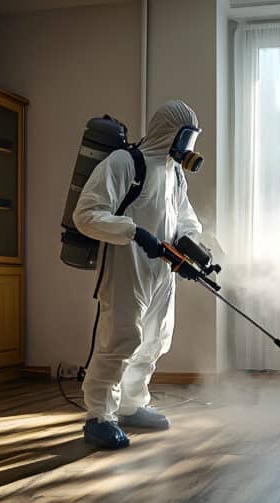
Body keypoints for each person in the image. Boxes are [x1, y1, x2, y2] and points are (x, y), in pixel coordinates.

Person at [72, 100, 203, 449]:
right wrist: (133, 232)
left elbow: (184, 218)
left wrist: (192, 246)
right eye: (185, 138)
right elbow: (85, 215)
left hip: (162, 270)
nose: (187, 148)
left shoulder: (174, 173)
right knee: (122, 338)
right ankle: (99, 416)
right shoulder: (125, 163)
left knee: (156, 338)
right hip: (125, 266)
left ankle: (132, 404)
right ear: (168, 132)